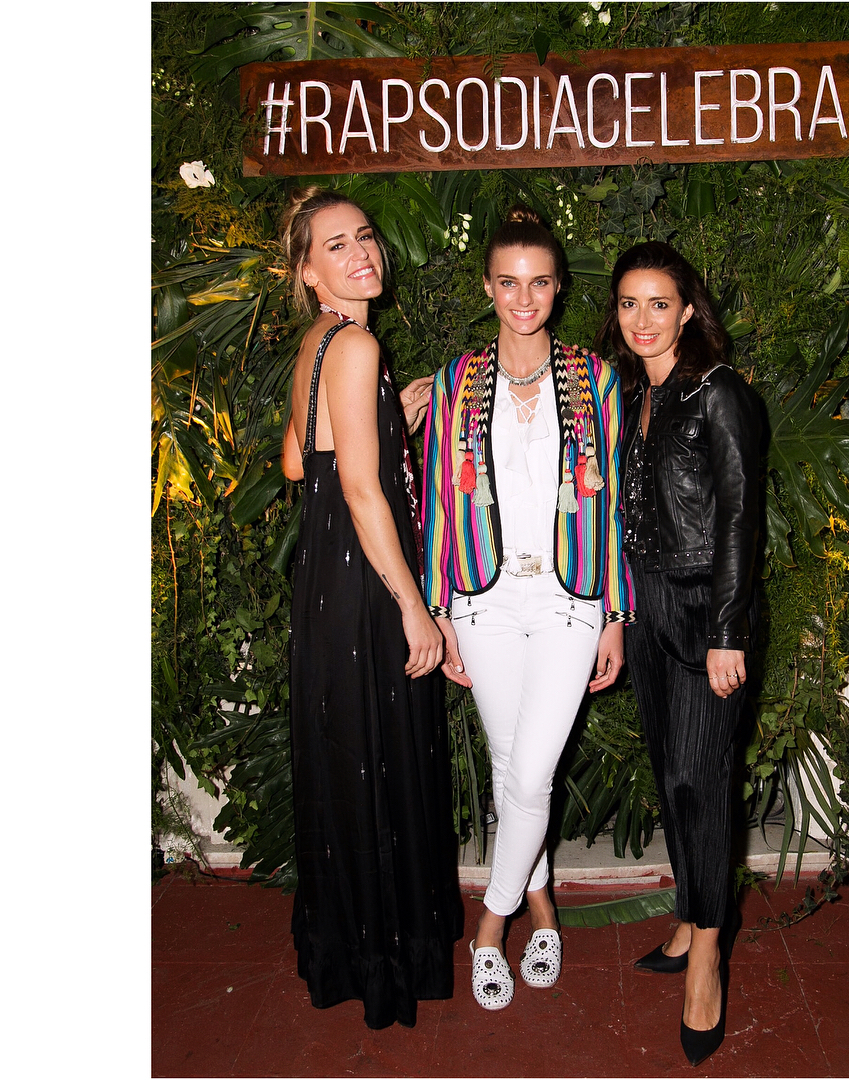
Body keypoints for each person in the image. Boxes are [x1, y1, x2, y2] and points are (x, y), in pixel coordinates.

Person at [421, 205, 635, 1011]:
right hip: (481, 598)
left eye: (539, 283)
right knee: (515, 770)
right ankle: (544, 914)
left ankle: (489, 927)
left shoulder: (593, 378)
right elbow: (439, 499)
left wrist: (617, 612)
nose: (523, 298)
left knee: (533, 769)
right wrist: (441, 610)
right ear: (488, 286)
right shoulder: (457, 379)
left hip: (569, 598)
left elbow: (613, 501)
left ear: (558, 288)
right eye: (508, 283)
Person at [279, 186, 463, 1029]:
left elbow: (298, 462)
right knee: (380, 758)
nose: (360, 254)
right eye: (336, 246)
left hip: (323, 578)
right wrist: (413, 607)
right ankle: (390, 960)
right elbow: (360, 487)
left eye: (363, 237)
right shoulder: (355, 345)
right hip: (364, 584)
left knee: (347, 757)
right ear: (309, 273)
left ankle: (349, 951)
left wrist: (392, 416)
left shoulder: (317, 344)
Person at [597, 241, 760, 1066]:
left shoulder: (717, 391)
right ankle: (690, 919)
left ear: (688, 309)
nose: (643, 319)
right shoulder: (634, 394)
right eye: (629, 303)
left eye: (659, 303)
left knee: (704, 784)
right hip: (649, 607)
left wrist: (727, 631)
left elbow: (739, 519)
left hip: (705, 611)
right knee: (672, 776)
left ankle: (707, 959)